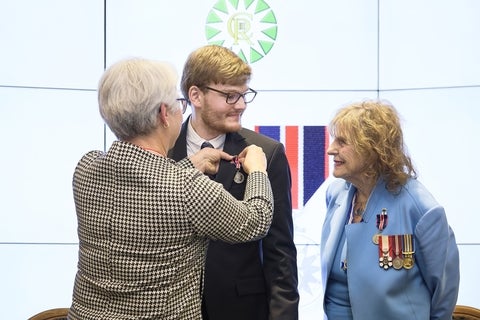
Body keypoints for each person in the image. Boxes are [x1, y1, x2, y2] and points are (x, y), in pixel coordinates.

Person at [67, 57, 274, 320]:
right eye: (179, 104)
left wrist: (188, 165)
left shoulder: (86, 168)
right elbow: (255, 221)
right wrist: (257, 170)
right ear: (164, 114)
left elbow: (144, 190)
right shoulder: (188, 188)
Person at [169, 45, 299, 320]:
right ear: (196, 95)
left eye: (243, 95)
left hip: (241, 310)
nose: (240, 105)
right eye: (230, 96)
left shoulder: (267, 153)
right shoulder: (162, 151)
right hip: (170, 309)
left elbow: (280, 253)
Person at [321, 99, 460, 319]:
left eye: (342, 141)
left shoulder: (421, 208)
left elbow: (443, 293)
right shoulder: (336, 194)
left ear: (371, 147)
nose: (330, 149)